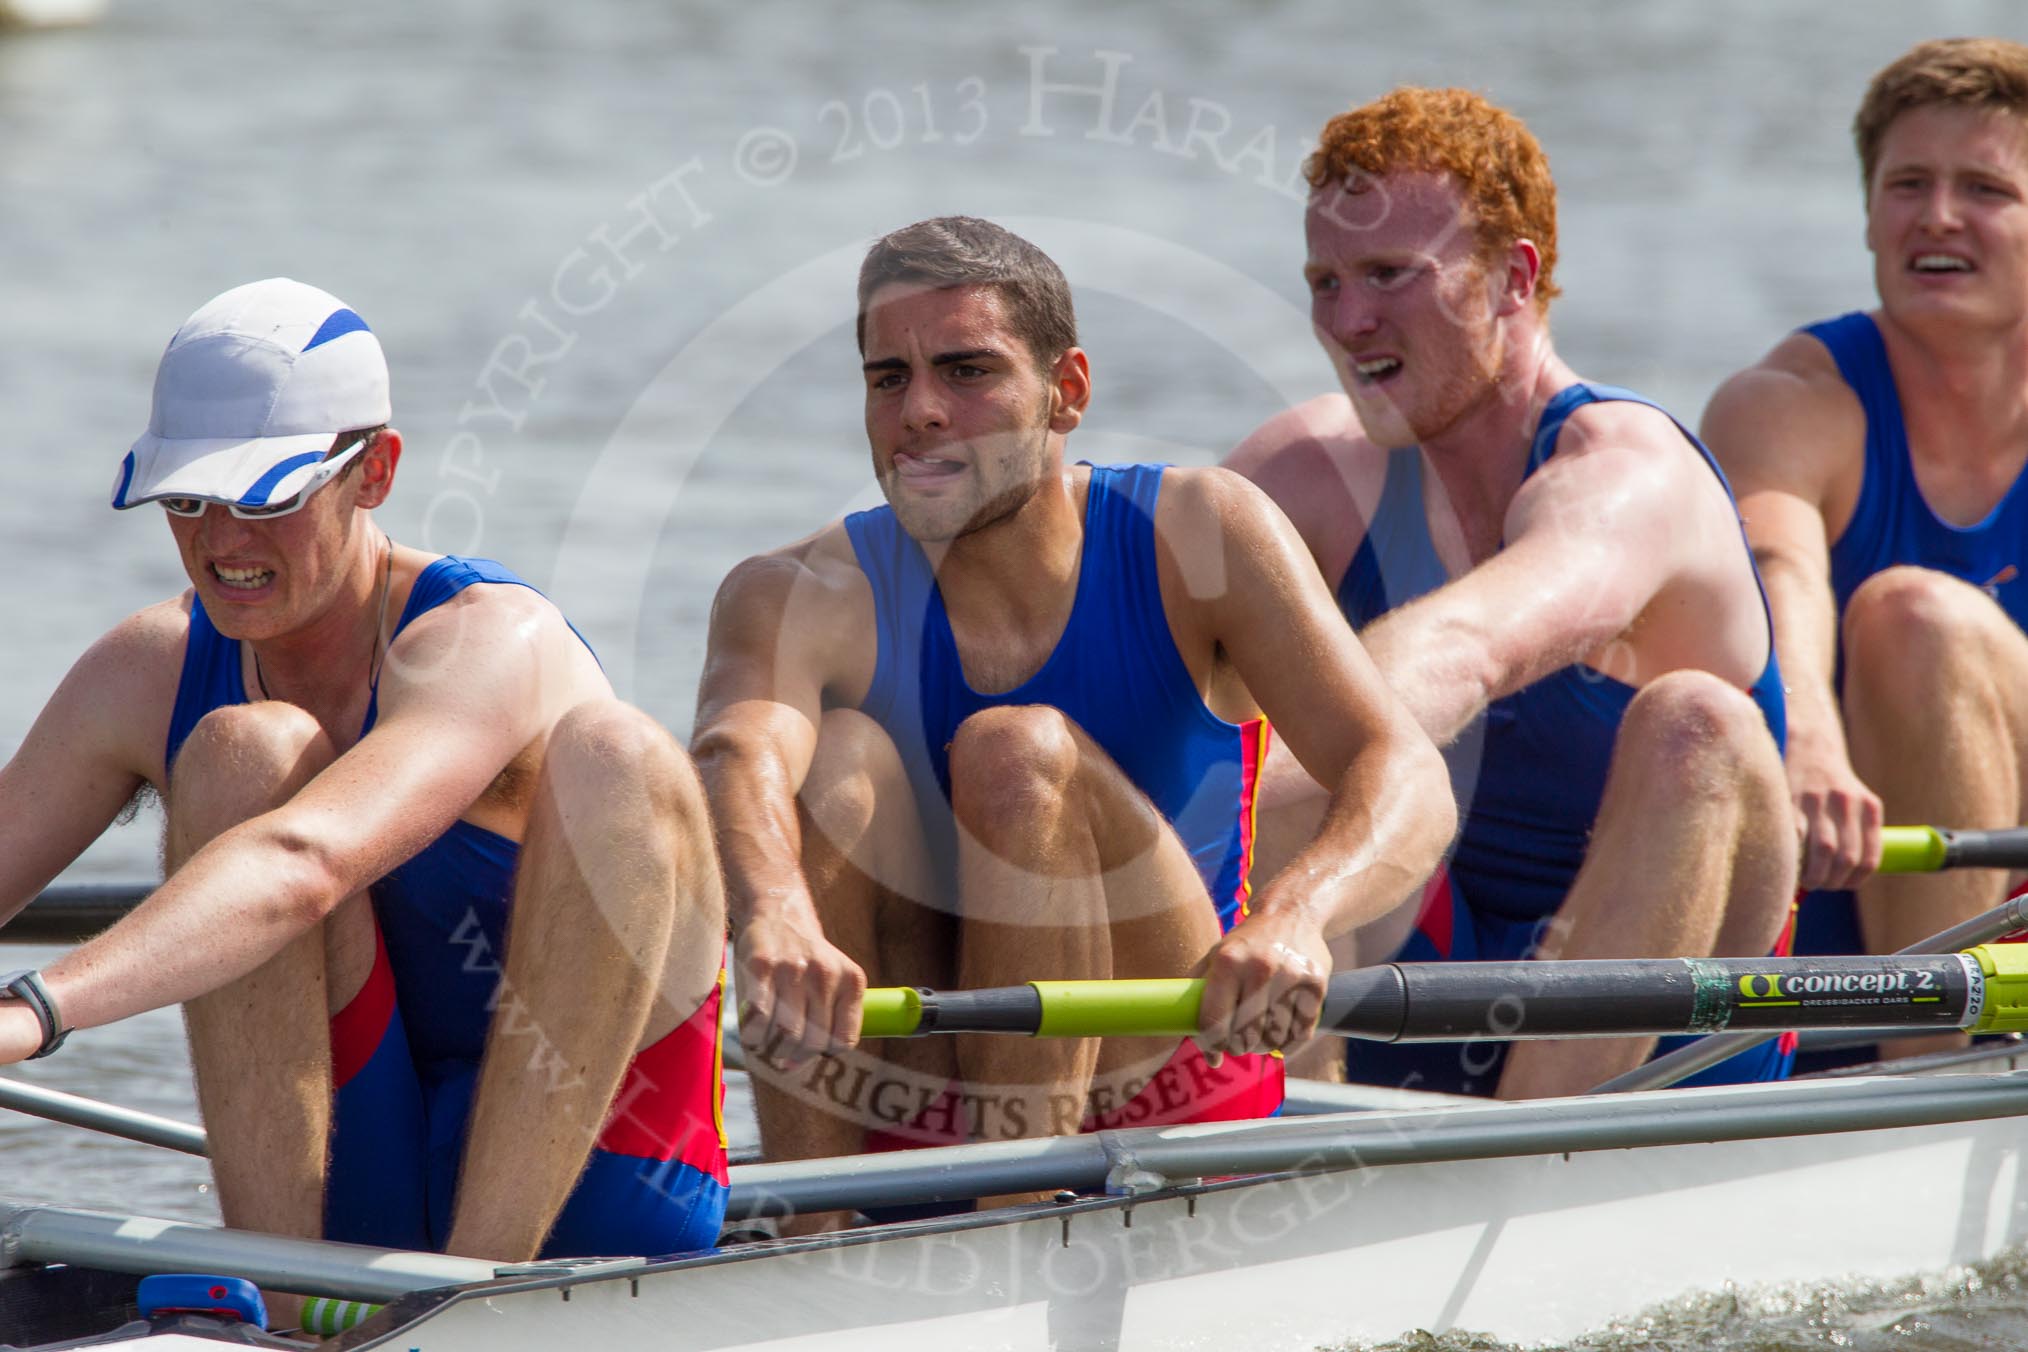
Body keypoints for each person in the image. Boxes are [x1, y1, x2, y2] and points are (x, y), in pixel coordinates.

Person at [692, 216, 1453, 1213]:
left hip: (1168, 1069)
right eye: (888, 379)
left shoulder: (1200, 535)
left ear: (1069, 391)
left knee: (1017, 750)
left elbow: (1404, 771)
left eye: (968, 372)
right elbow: (733, 750)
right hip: (918, 1079)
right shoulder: (793, 589)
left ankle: (1008, 1236)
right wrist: (775, 908)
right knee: (832, 764)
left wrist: (1299, 913)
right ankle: (813, 1231)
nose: (920, 411)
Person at [0, 279, 728, 1265]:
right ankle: (283, 1296)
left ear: (374, 470)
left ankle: (474, 1303)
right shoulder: (149, 667)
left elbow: (305, 859)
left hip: (602, 1168)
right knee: (236, 752)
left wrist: (35, 1009)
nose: (222, 541)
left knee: (617, 753)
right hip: (357, 1170)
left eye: (269, 496)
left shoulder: (489, 639)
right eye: (187, 498)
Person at [1226, 87, 1797, 1098]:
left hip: (1671, 1031)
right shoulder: (1308, 471)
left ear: (1512, 277)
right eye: (1325, 279)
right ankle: (1276, 1157)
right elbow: (1125, 645)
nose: (1347, 319)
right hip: (1429, 985)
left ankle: (1526, 1172)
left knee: (1695, 719)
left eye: (1390, 275)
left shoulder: (1628, 471)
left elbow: (1471, 648)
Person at [1702, 38, 2028, 1060]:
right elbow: (1778, 569)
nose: (1937, 215)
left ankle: (1928, 1075)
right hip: (1844, 875)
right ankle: (1918, 1082)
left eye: (1984, 187)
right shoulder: (1790, 404)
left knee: (1915, 617)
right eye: (1907, 185)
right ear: (1869, 215)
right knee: (1905, 615)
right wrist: (1804, 733)